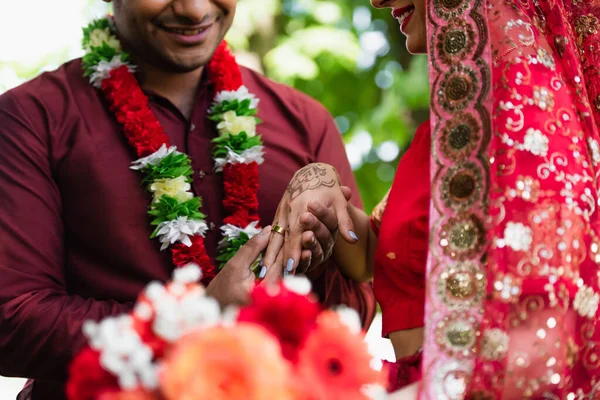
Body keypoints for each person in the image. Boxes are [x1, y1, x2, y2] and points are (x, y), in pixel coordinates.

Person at [0, 1, 376, 399]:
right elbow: (12, 321)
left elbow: (354, 313)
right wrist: (196, 319)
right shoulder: (32, 118)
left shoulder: (304, 122)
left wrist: (313, 264)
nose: (195, 11)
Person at [282, 0, 600, 397]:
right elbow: (375, 255)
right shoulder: (442, 132)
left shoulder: (533, 122)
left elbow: (542, 317)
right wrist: (316, 179)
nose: (377, 1)